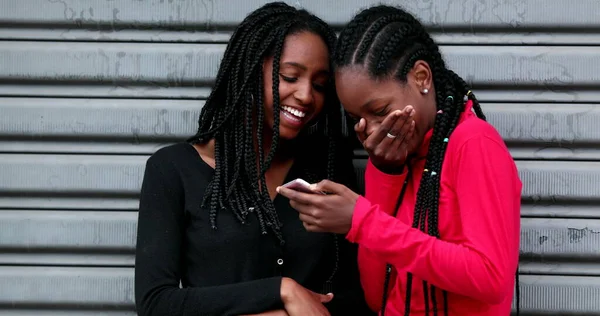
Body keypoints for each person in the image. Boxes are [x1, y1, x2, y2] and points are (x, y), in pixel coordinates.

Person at [277, 4, 522, 316]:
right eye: (357, 118)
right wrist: (384, 172)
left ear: (421, 77)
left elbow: (491, 278)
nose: (371, 130)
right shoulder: (399, 159)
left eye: (379, 111)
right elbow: (378, 297)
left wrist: (364, 221)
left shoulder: (473, 142)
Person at [134, 2, 372, 316]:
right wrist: (281, 291)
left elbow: (357, 296)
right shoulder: (173, 170)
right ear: (249, 72)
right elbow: (156, 304)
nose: (306, 95)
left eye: (319, 85)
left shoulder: (326, 168)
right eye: (289, 77)